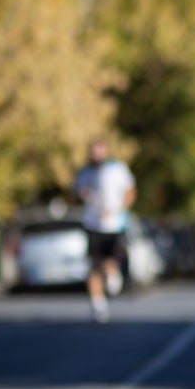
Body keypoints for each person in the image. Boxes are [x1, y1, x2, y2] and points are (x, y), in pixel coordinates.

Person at [73, 138, 136, 323]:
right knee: (94, 265)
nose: (96, 155)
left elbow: (130, 192)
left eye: (99, 151)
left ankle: (113, 274)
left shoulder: (117, 169)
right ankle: (98, 305)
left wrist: (118, 210)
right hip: (93, 225)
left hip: (114, 225)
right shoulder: (84, 173)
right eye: (93, 151)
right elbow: (76, 192)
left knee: (112, 261)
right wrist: (83, 194)